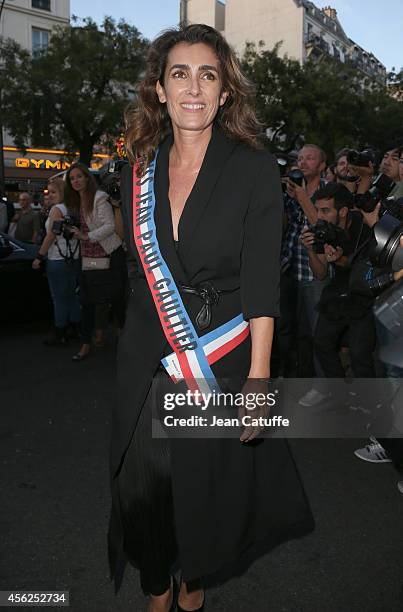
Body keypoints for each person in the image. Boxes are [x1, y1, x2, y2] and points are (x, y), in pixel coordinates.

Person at [108, 24, 314, 612]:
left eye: (208, 74)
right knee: (142, 488)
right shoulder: (136, 171)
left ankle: (191, 588)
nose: (193, 87)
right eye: (180, 73)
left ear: (225, 91)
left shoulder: (252, 168)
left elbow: (261, 285)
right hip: (147, 355)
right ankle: (156, 588)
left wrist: (258, 378)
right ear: (158, 90)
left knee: (196, 495)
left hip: (218, 359)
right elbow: (137, 268)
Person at [65, 163, 126, 361]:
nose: (75, 181)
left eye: (79, 177)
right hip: (87, 257)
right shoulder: (74, 201)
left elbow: (109, 226)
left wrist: (85, 236)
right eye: (72, 178)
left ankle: (126, 341)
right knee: (87, 302)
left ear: (87, 178)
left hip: (109, 253)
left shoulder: (99, 197)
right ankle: (85, 344)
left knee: (117, 300)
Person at [32, 178, 81, 344]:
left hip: (57, 259)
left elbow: (51, 235)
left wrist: (39, 256)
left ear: (62, 192)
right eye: (49, 192)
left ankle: (60, 332)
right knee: (71, 296)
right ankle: (75, 329)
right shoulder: (73, 208)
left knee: (59, 298)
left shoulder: (57, 210)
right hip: (73, 258)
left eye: (54, 191)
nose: (50, 195)